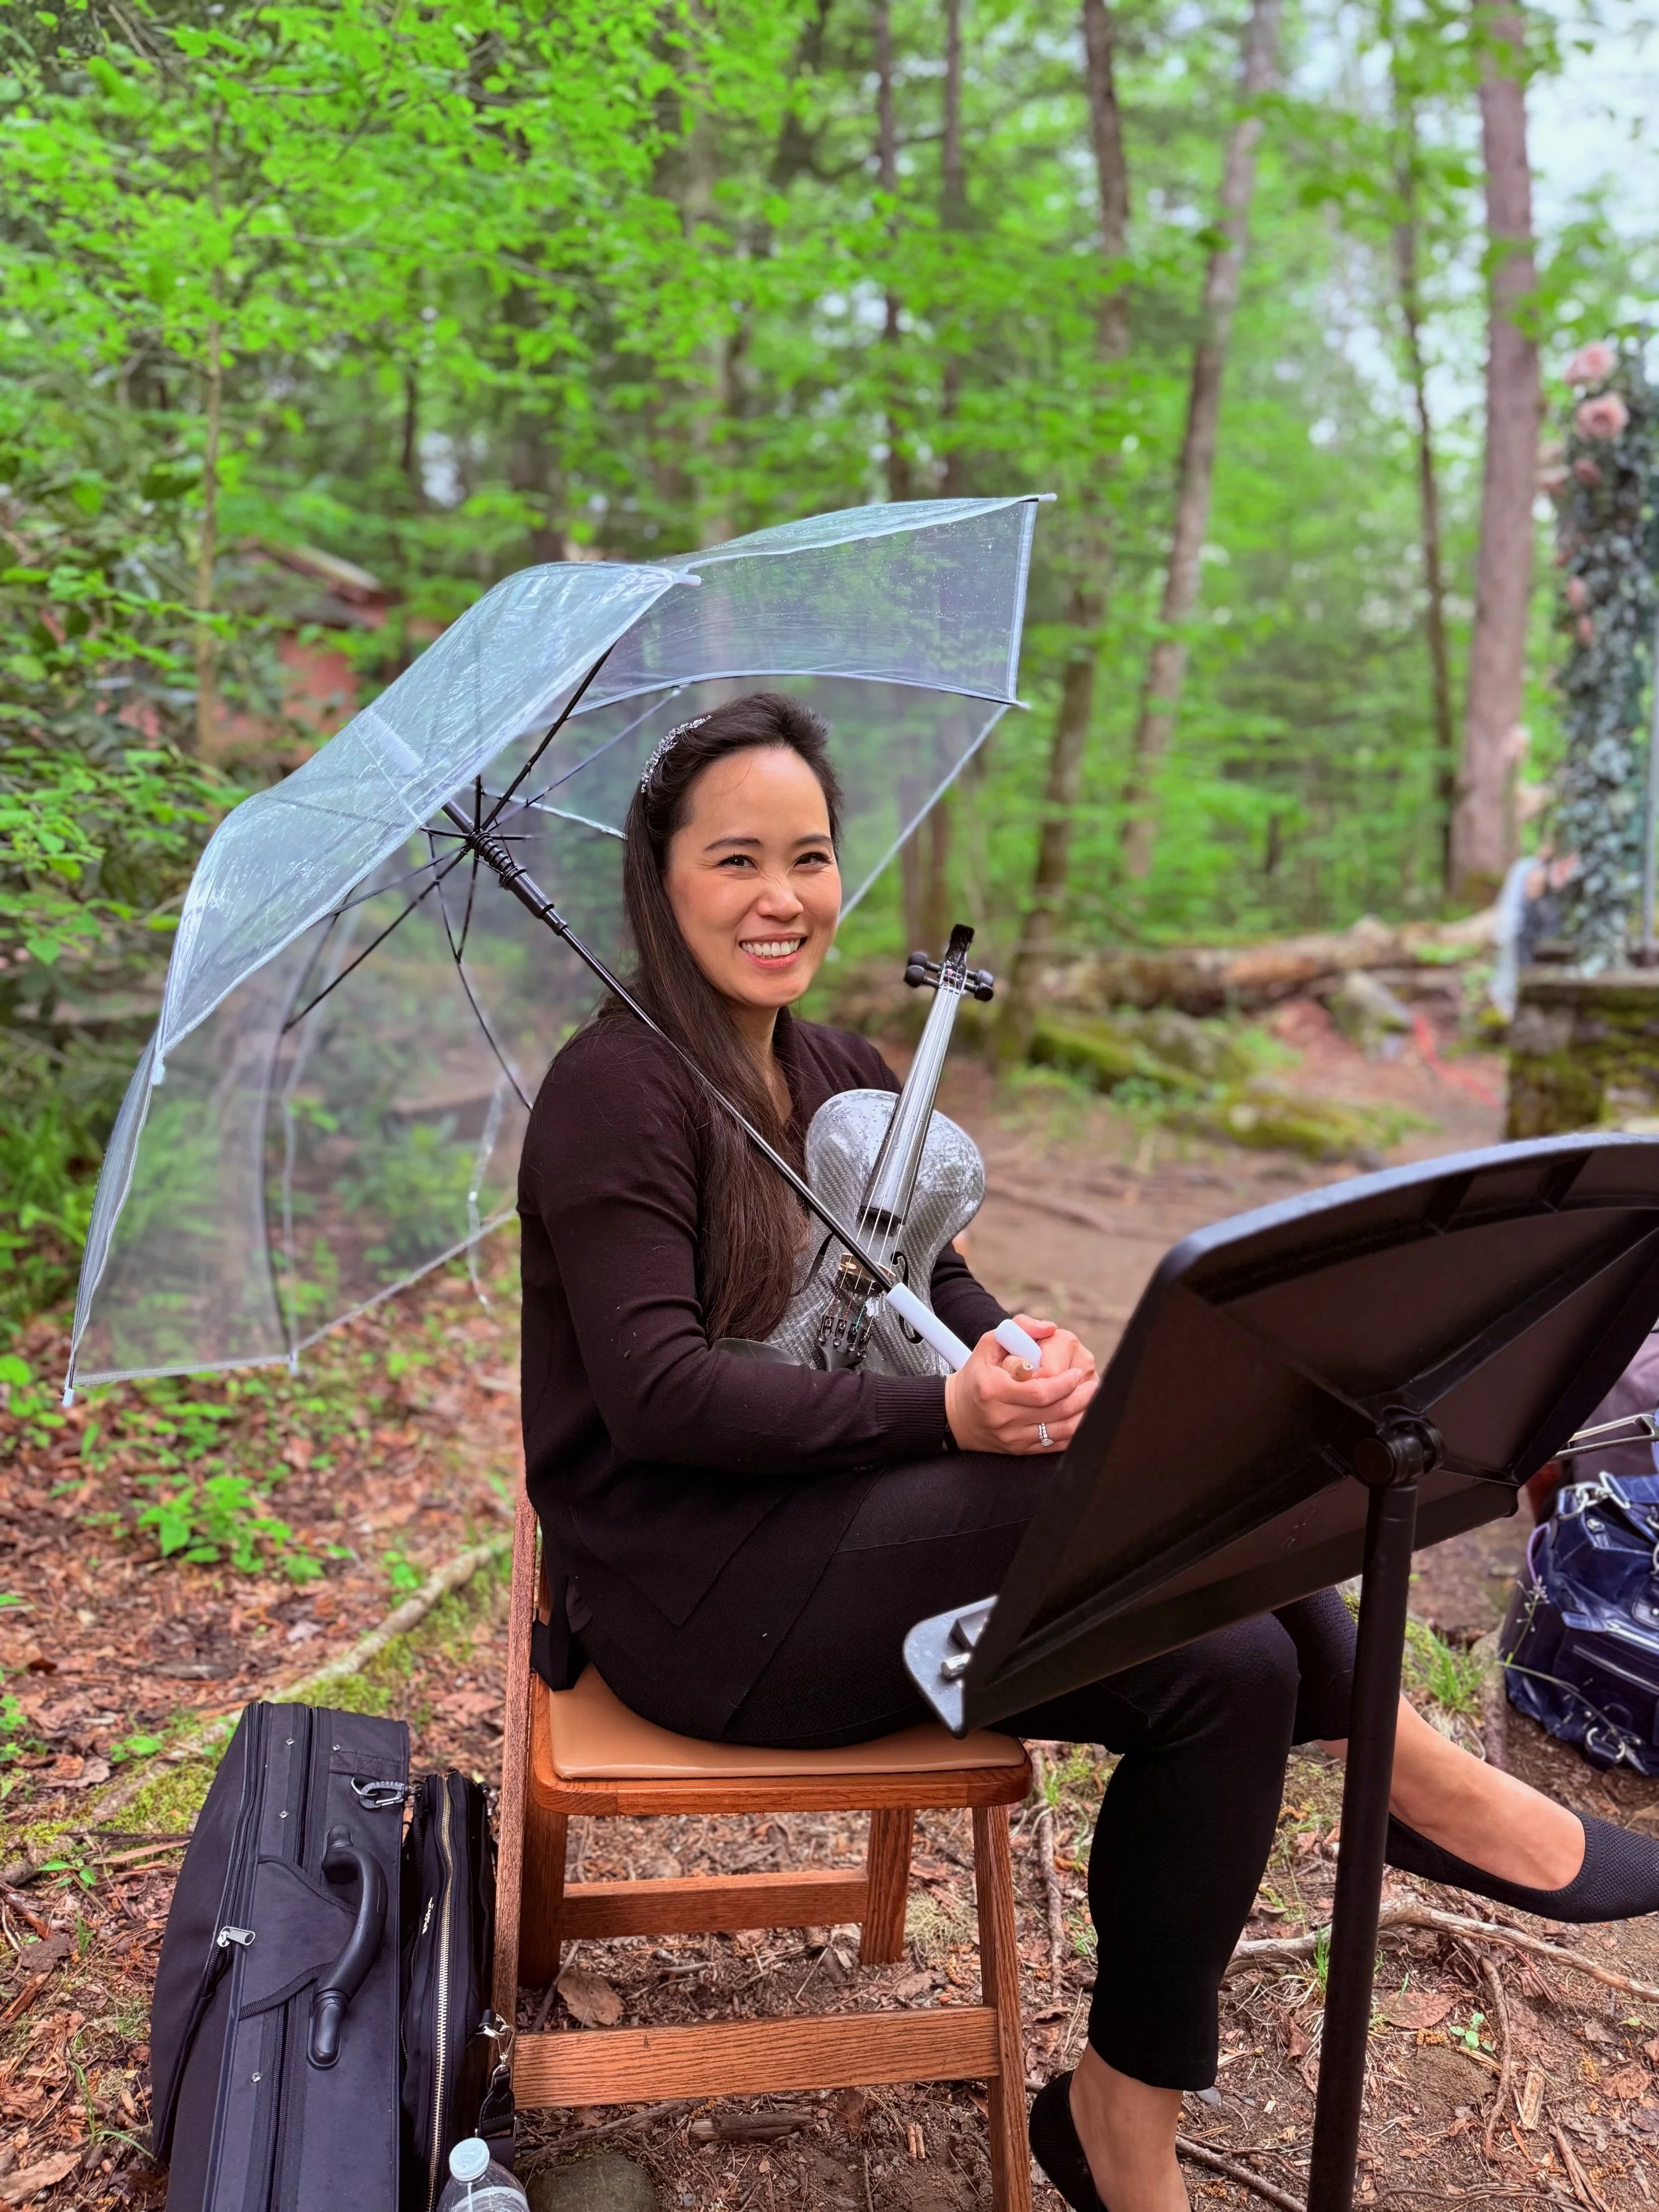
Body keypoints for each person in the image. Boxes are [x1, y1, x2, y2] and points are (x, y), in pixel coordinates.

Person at [518, 693, 1659, 2212]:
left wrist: (1006, 1349)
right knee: (1083, 1488)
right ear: (659, 881)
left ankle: (1114, 2115)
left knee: (1232, 1673)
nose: (781, 896)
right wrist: (949, 1418)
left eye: (810, 855)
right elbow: (657, 1394)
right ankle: (1426, 1785)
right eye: (735, 860)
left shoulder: (849, 1066)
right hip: (697, 1599)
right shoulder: (616, 1091)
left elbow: (920, 1278)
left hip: (858, 1541)